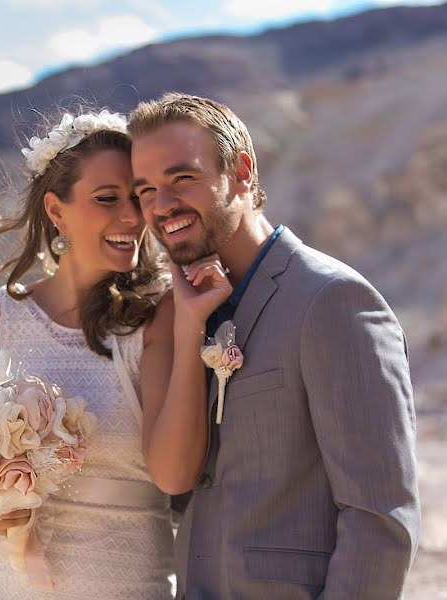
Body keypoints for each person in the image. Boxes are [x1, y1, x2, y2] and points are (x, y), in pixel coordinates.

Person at [128, 92, 421, 599]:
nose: (162, 206)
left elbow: (379, 517)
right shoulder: (184, 312)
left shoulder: (333, 300)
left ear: (241, 172)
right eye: (145, 189)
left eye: (182, 178)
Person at [0, 108, 232, 599]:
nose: (132, 217)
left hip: (120, 582)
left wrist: (190, 329)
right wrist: (6, 510)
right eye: (107, 199)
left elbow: (173, 474)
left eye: (137, 197)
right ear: (56, 210)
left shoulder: (156, 318)